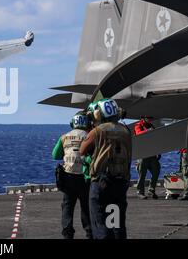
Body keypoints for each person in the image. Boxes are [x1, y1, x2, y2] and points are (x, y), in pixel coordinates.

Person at [80, 98, 132, 239]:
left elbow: (82, 150)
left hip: (102, 183)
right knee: (116, 223)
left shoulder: (97, 131)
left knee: (100, 222)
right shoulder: (126, 130)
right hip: (121, 182)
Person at [52, 111, 92, 239]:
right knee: (86, 207)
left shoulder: (64, 137)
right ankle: (89, 232)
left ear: (72, 123)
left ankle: (67, 234)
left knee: (67, 207)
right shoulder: (90, 136)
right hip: (84, 177)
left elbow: (55, 155)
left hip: (68, 177)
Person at [134, 118, 161, 200]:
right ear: (143, 118)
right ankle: (140, 192)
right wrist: (149, 130)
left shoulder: (151, 126)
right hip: (142, 154)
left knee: (156, 170)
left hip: (152, 153)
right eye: (148, 118)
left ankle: (151, 190)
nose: (150, 120)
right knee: (142, 174)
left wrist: (159, 151)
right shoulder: (138, 125)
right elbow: (138, 134)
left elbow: (156, 139)